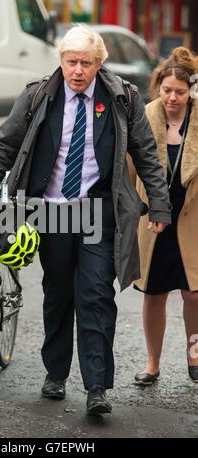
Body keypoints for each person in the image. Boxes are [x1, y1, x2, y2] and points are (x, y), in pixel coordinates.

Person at [0, 25, 171, 415]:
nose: (77, 70)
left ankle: (97, 387)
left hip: (96, 209)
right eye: (71, 61)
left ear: (99, 64)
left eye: (86, 63)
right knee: (58, 293)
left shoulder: (121, 97)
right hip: (50, 211)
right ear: (60, 61)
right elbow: (4, 144)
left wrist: (159, 205)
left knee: (95, 294)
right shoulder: (38, 95)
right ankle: (56, 373)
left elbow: (146, 153)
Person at [134, 47, 198, 385]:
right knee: (154, 293)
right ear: (158, 86)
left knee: (194, 294)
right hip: (154, 221)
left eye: (180, 92)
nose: (172, 98)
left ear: (191, 91)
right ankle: (152, 363)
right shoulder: (145, 117)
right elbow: (130, 170)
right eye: (166, 90)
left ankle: (195, 353)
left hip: (193, 221)